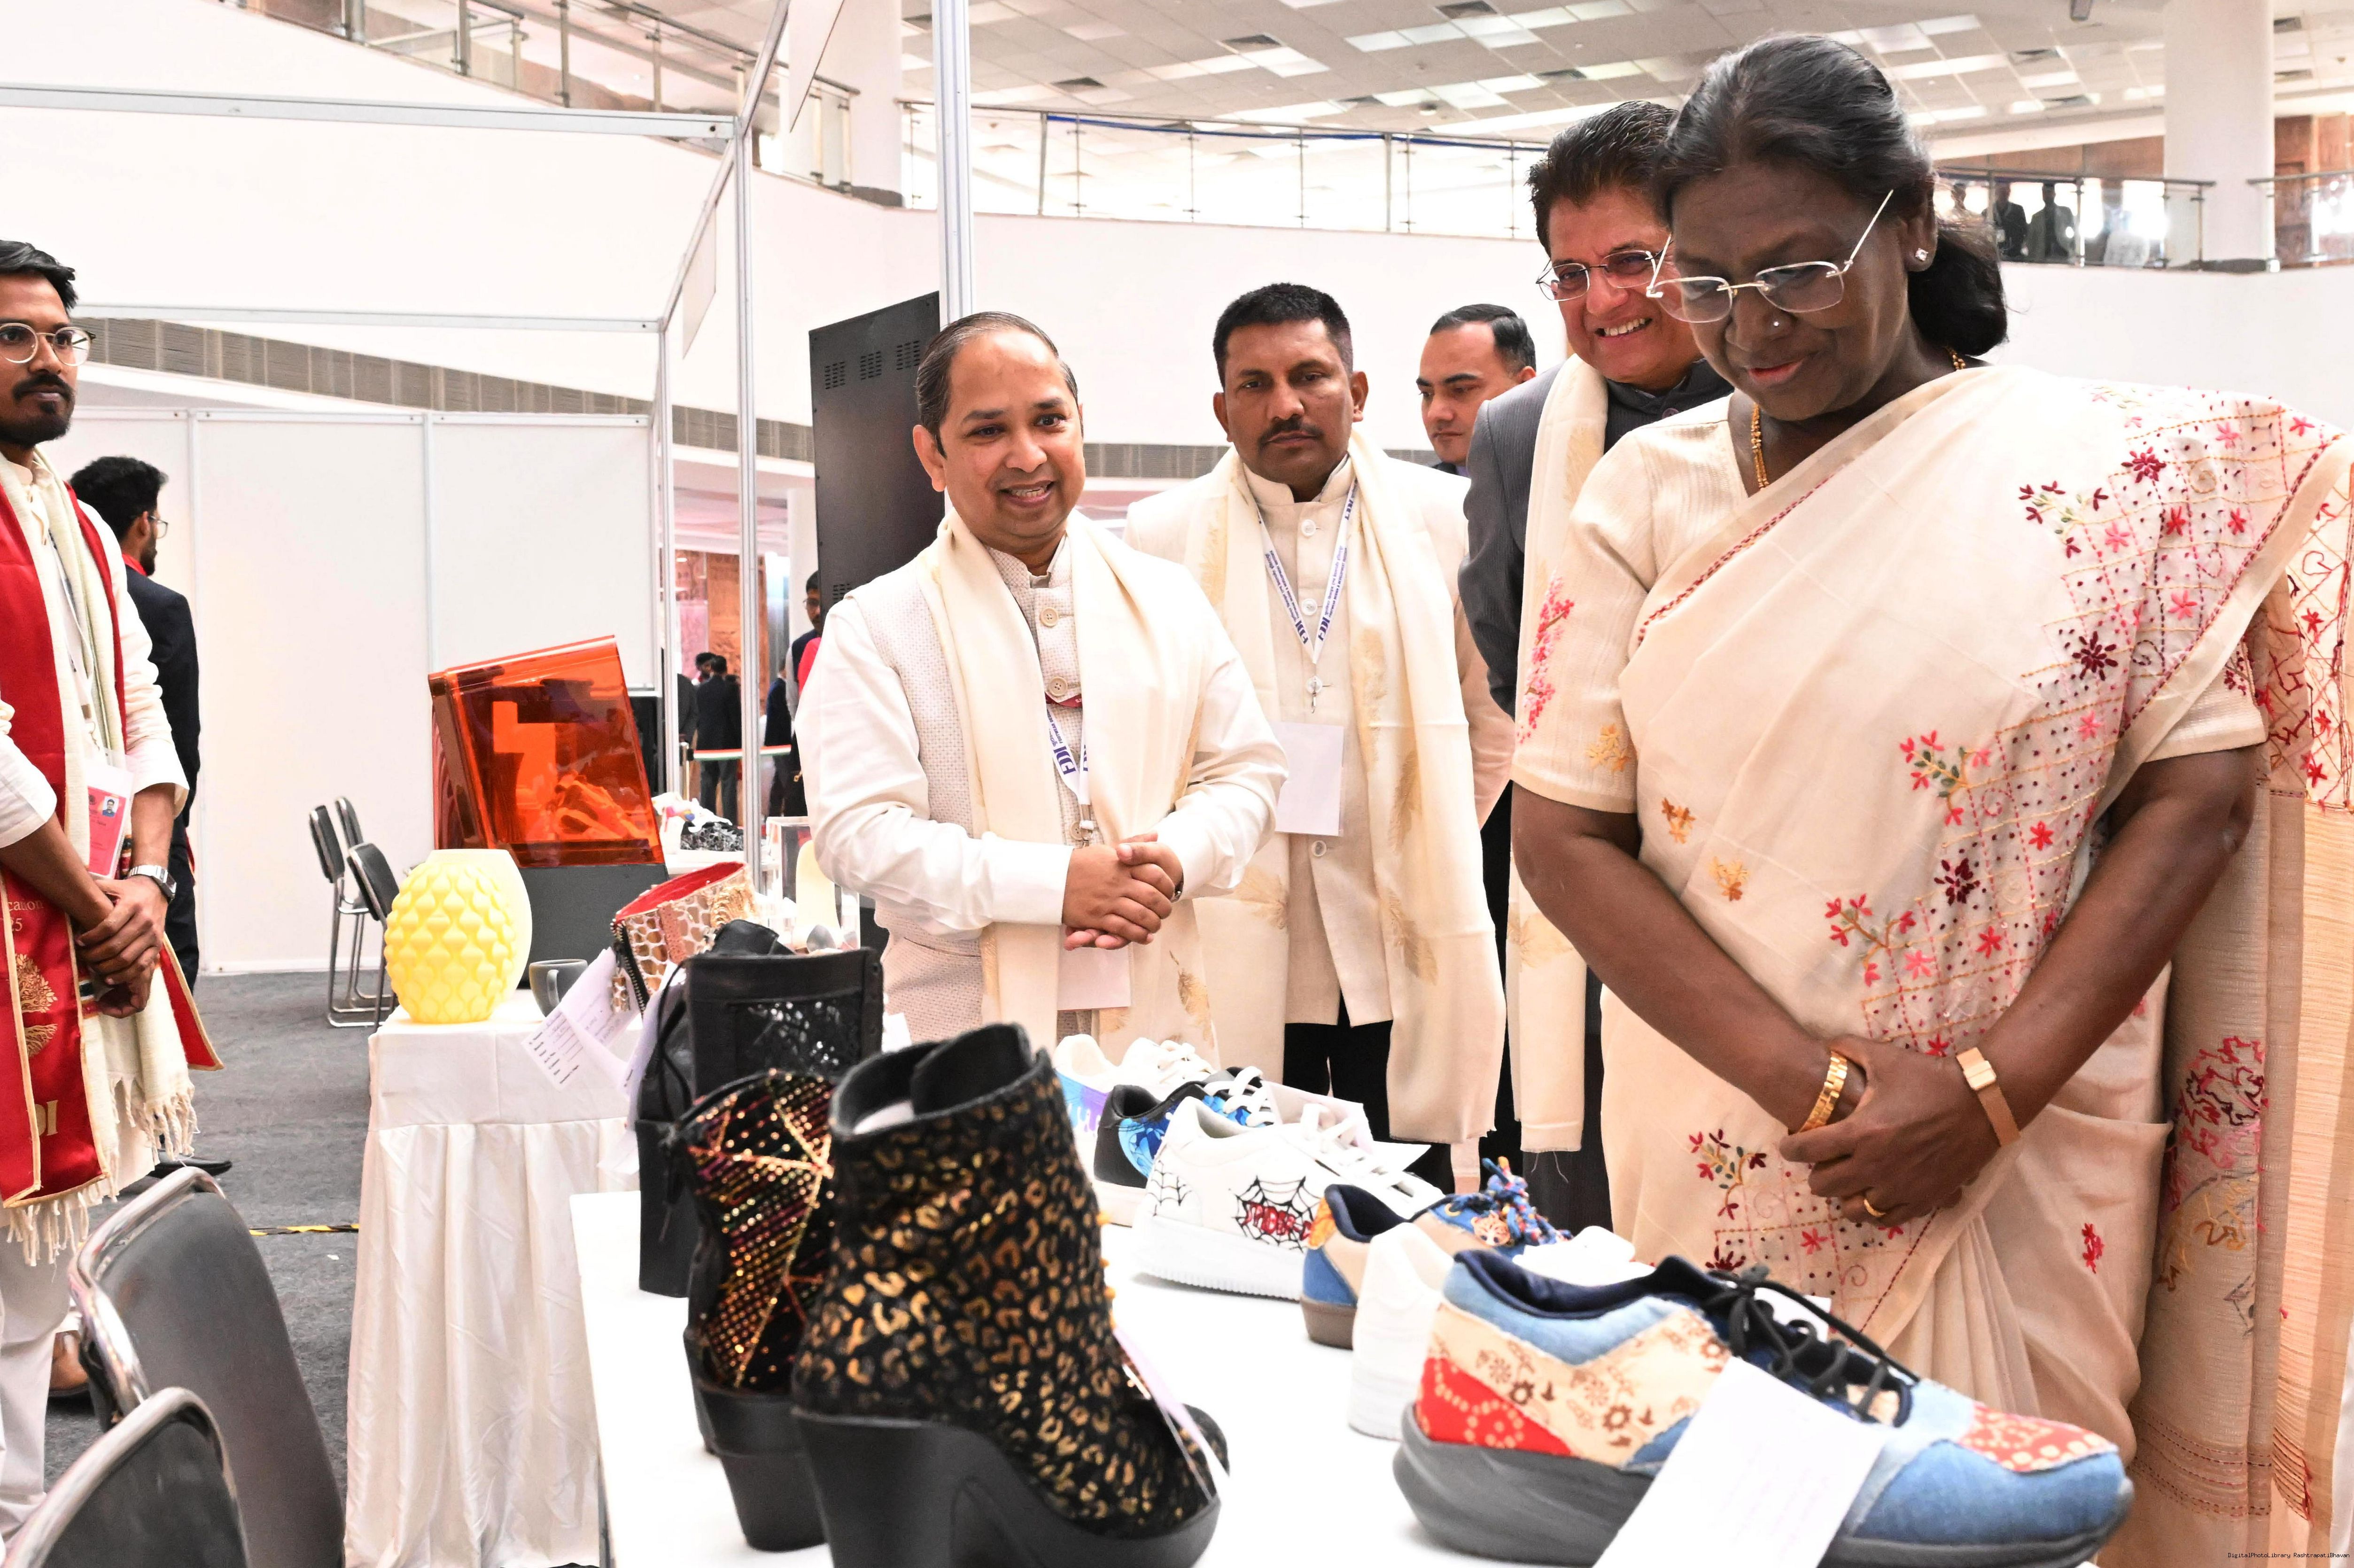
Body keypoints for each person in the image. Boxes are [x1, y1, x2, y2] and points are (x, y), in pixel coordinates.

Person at [1506, 37, 2351, 1567]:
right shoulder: (1643, 496)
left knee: (2021, 1517)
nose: (1750, 326)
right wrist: (1823, 1092)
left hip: (2026, 1143)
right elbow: (1563, 834)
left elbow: (2201, 790)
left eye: (1796, 270)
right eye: (1709, 282)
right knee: (1743, 1513)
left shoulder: (2096, 481)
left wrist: (1988, 1092)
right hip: (1736, 1130)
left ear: (1906, 221)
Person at [802, 311, 1283, 1048]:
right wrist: (1054, 885)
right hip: (960, 1038)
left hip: (1154, 1036)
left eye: (1048, 421)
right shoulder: (878, 625)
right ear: (932, 455)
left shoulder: (1168, 599)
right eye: (987, 431)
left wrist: (1172, 857)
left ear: (1079, 425)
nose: (1027, 455)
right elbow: (857, 834)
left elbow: (1246, 770)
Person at [1126, 283, 1510, 1185]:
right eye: (1254, 385)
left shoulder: (1443, 518)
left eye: (1310, 376)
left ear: (1358, 390)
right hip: (1239, 930)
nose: (1286, 404)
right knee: (1249, 1190)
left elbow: (1491, 712)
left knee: (1407, 1196)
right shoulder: (1158, 537)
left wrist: (1432, 834)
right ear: (1222, 409)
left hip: (1398, 925)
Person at [1456, 101, 1732, 1230]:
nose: (1603, 300)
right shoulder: (1517, 432)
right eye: (1568, 274)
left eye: (1633, 261)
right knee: (1591, 1220)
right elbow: (1507, 641)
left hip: (1761, 860)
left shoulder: (1787, 399)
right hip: (1590, 871)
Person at [0, 240, 217, 1534]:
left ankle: (23, 1518)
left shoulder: (79, 524)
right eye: (14, 337)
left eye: (61, 338)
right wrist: (100, 909)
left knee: (42, 1267)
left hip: (88, 926)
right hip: (27, 930)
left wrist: (146, 879)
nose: (47, 360)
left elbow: (141, 717)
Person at [70, 457, 199, 987]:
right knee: (170, 970)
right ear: (144, 522)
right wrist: (166, 848)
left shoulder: (63, 585)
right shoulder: (161, 604)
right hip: (148, 822)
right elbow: (181, 732)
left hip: (70, 823)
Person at [1415, 304, 1536, 473]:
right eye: (1427, 394)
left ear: (1525, 387)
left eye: (1461, 390)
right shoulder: (1405, 489)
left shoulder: (1567, 480)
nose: (1435, 414)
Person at [691, 652, 740, 819]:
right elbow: (735, 718)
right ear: (725, 669)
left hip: (706, 744)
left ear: (711, 669)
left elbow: (698, 717)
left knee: (707, 783)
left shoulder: (700, 689)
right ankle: (730, 821)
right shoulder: (731, 688)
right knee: (728, 783)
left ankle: (708, 820)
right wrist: (740, 742)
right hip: (727, 744)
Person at [792, 572, 824, 697]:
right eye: (812, 603)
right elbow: (795, 702)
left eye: (823, 603)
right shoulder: (799, 647)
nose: (818, 611)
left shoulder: (855, 641)